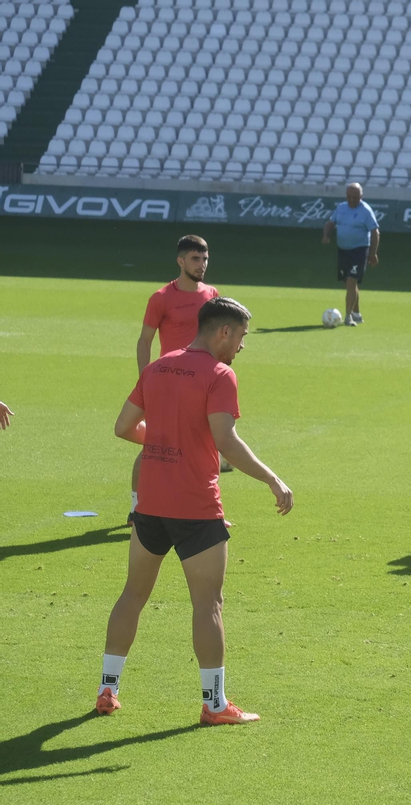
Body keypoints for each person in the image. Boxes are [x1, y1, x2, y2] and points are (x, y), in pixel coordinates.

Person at [100, 297, 294, 724]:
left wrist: (166, 441)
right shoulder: (221, 375)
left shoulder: (157, 366)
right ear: (223, 331)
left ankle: (107, 690)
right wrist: (272, 479)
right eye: (242, 336)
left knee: (133, 594)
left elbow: (123, 427)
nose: (242, 346)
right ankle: (215, 704)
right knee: (208, 604)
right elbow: (227, 441)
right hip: (196, 506)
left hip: (149, 504)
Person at [132, 235, 221, 522]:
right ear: (180, 261)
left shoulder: (211, 295)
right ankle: (136, 506)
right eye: (196, 259)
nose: (202, 264)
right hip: (168, 383)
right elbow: (144, 341)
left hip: (203, 384)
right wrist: (145, 381)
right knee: (154, 443)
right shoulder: (161, 298)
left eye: (205, 259)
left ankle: (192, 504)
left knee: (199, 444)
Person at [320, 182, 380, 326]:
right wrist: (326, 234)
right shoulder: (341, 208)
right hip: (343, 250)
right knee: (347, 283)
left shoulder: (365, 210)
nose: (352, 200)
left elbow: (375, 232)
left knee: (352, 280)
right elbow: (330, 222)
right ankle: (357, 314)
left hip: (359, 250)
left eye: (355, 197)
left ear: (361, 196)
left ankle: (348, 317)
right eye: (349, 197)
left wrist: (373, 254)